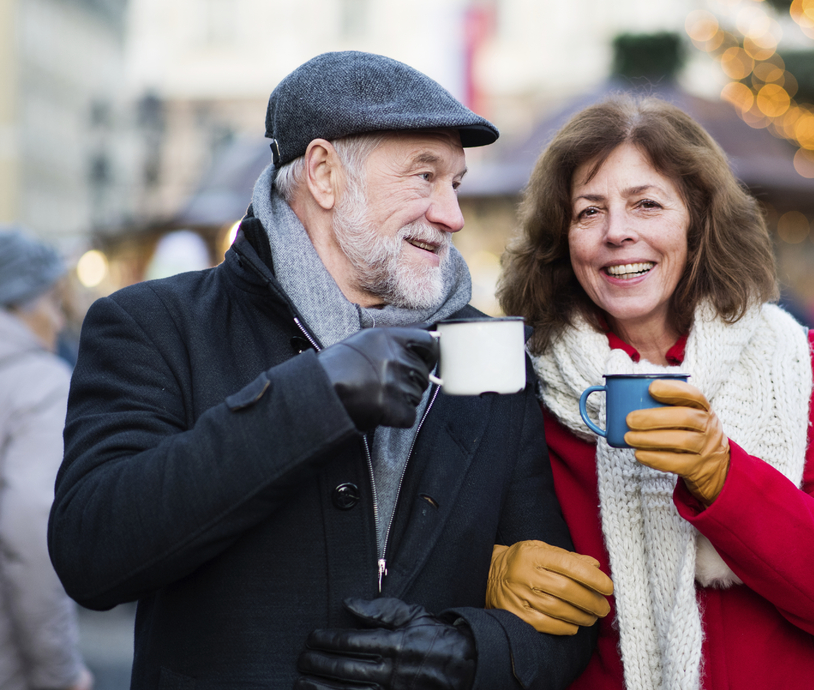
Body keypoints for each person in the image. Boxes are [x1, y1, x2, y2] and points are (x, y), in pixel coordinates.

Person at [48, 52, 607, 690]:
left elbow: (566, 617)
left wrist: (472, 653)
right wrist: (314, 396)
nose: (452, 213)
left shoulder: (490, 348)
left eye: (454, 183)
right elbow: (92, 555)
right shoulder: (155, 324)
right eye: (424, 177)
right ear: (323, 174)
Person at [492, 95, 814, 689]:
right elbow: (418, 558)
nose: (617, 232)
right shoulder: (517, 384)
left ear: (699, 221)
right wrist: (485, 570)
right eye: (589, 212)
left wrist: (724, 477)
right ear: (562, 239)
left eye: (646, 204)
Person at [0, 228, 92, 690]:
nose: (59, 322)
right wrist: (60, 673)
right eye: (55, 303)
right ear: (22, 302)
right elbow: (33, 540)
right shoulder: (40, 385)